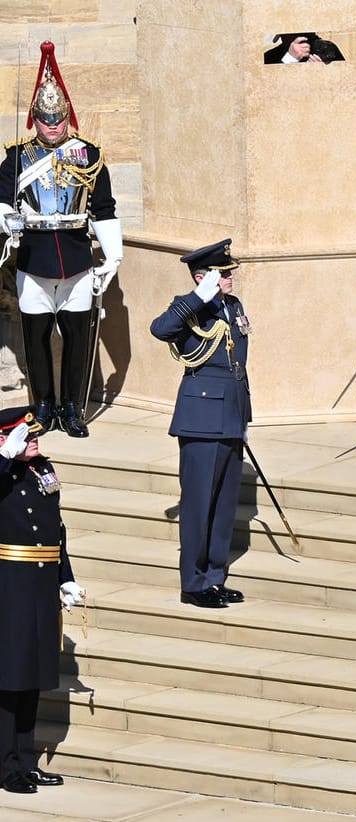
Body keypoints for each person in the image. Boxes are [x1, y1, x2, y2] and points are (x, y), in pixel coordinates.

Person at [0, 42, 123, 438]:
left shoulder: (88, 156)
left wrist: (114, 256)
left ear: (67, 116)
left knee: (78, 336)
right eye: (45, 119)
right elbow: (1, 200)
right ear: (34, 119)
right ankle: (42, 405)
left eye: (58, 119)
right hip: (34, 260)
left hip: (76, 257)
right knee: (35, 338)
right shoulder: (16, 157)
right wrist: (9, 221)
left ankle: (72, 406)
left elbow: (103, 208)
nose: (52, 125)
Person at [149, 240, 252, 610]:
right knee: (197, 506)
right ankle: (193, 583)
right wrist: (197, 296)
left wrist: (243, 415)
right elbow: (160, 329)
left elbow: (238, 366)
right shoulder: (191, 308)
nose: (229, 279)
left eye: (228, 273)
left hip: (230, 417)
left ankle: (214, 578)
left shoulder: (232, 306)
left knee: (223, 507)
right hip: (201, 420)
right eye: (222, 274)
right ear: (202, 276)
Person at [0, 406, 83, 794]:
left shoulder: (41, 470)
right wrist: (2, 459)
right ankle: (4, 767)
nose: (35, 439)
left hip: (39, 585)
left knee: (31, 678)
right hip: (9, 588)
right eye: (25, 435)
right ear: (4, 438)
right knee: (8, 680)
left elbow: (56, 529)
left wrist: (65, 578)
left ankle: (25, 761)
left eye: (34, 435)